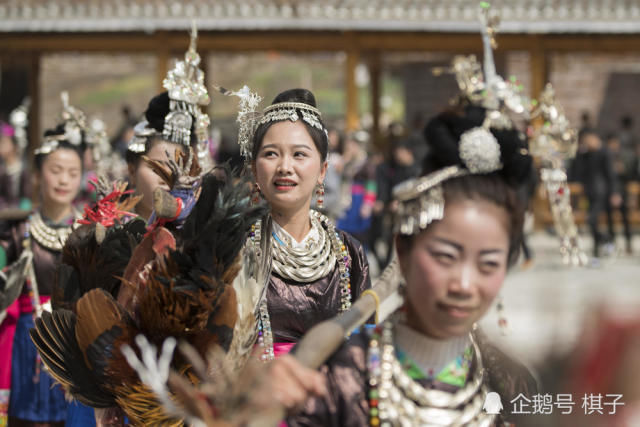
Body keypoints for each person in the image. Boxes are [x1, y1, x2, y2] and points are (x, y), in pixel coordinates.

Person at [283, 103, 539, 426]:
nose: (463, 283)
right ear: (403, 250)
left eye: (488, 263)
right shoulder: (332, 381)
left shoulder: (515, 387)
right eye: (445, 256)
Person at [247, 88, 371, 361]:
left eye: (299, 154)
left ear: (322, 170)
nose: (284, 167)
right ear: (255, 170)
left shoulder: (349, 252)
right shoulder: (236, 249)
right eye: (271, 154)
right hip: (258, 395)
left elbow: (366, 344)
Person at [0, 97, 86, 426]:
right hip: (27, 342)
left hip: (73, 342)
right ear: (38, 174)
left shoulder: (89, 233)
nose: (64, 180)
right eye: (55, 170)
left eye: (72, 172)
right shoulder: (18, 232)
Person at [569, 129, 620, 258]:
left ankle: (608, 240)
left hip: (602, 192)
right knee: (593, 222)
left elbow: (611, 174)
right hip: (589, 191)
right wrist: (580, 152)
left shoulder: (605, 152)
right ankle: (599, 247)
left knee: (592, 220)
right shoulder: (586, 154)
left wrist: (614, 192)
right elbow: (577, 170)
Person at [605, 134, 633, 254]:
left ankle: (628, 243)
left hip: (622, 192)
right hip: (609, 192)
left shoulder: (624, 156)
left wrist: (623, 170)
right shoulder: (605, 157)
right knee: (610, 219)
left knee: (625, 219)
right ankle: (612, 243)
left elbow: (631, 176)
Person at [0, 122, 31, 210]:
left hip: (20, 213)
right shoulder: (2, 170)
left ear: (14, 145)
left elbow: (26, 196)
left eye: (3, 142)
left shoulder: (23, 169)